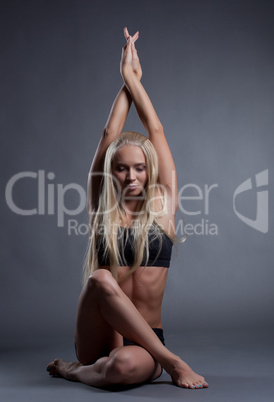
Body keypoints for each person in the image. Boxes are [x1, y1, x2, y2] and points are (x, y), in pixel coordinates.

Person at [46, 27, 208, 390]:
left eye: (139, 167)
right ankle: (173, 363)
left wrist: (133, 80)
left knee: (120, 369)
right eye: (121, 168)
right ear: (111, 172)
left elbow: (157, 129)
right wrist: (125, 80)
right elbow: (108, 134)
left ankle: (76, 372)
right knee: (100, 278)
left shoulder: (164, 205)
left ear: (149, 170)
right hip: (98, 335)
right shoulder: (101, 209)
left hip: (144, 340)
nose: (131, 176)